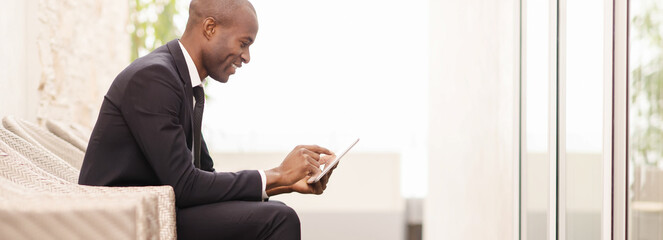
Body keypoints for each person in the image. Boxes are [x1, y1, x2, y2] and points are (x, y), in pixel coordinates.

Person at [78, 0, 336, 239]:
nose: (246, 57)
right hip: (127, 219)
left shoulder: (181, 82)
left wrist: (286, 183)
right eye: (243, 43)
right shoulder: (154, 78)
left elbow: (203, 177)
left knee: (276, 210)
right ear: (210, 28)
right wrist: (278, 174)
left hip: (160, 206)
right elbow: (185, 185)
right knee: (278, 218)